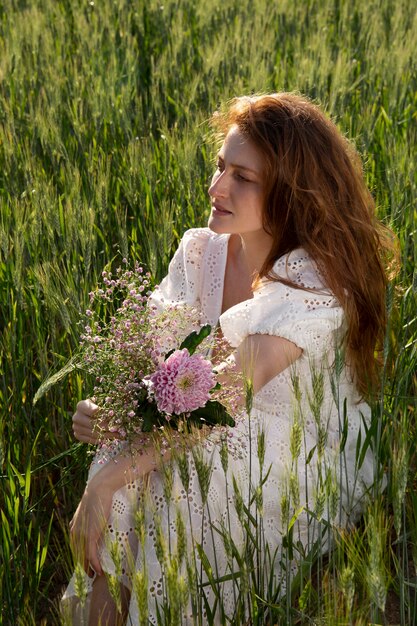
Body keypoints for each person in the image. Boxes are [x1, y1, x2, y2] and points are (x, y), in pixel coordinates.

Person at [62, 92, 395, 625]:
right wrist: (110, 410)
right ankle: (109, 605)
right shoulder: (202, 251)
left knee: (183, 472)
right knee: (129, 454)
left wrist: (106, 483)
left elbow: (223, 396)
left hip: (286, 446)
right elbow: (158, 372)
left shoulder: (313, 282)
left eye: (243, 177)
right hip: (202, 424)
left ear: (290, 193)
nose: (216, 188)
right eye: (221, 166)